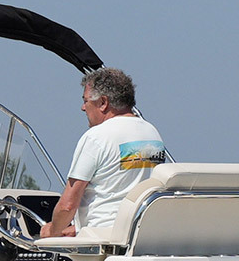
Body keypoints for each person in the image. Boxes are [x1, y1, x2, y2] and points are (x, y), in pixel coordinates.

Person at [41, 67, 167, 237]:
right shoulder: (152, 133)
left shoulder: (97, 137)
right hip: (140, 238)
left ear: (103, 103)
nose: (83, 108)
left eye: (85, 101)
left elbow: (67, 206)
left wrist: (52, 231)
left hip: (101, 244)